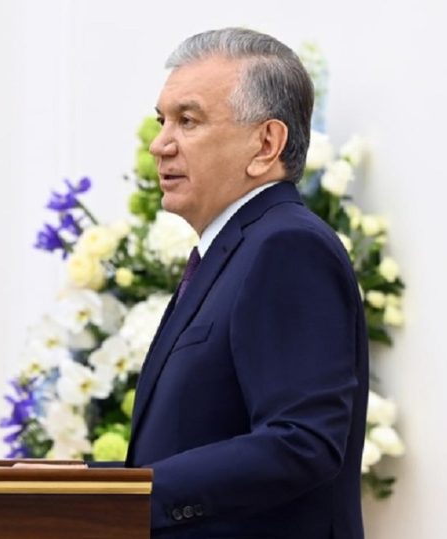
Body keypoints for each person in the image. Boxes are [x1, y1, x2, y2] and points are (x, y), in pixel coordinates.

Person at [124, 28, 368, 538]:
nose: (159, 144)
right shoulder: (233, 250)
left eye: (188, 121)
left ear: (266, 144)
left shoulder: (287, 246)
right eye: (163, 121)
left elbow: (302, 441)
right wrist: (70, 486)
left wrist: (135, 499)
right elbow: (187, 441)